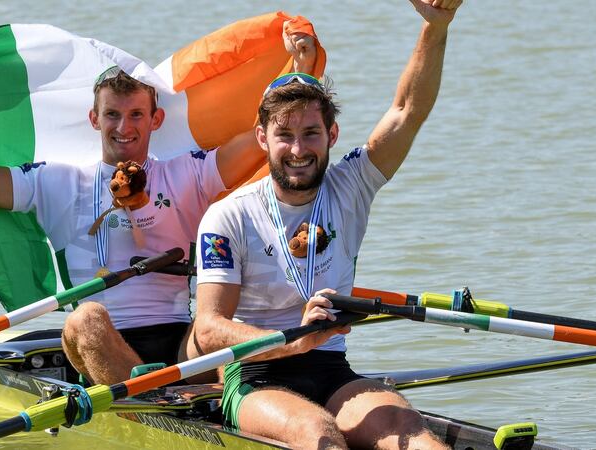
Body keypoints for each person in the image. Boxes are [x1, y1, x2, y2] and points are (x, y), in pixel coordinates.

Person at [0, 30, 317, 386]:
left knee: (215, 321)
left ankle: (172, 393)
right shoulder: (53, 181)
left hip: (182, 343)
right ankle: (156, 402)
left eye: (137, 115)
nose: (125, 127)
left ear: (155, 120)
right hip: (101, 339)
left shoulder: (190, 173)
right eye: (113, 116)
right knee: (85, 317)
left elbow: (263, 137)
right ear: (94, 119)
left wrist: (297, 72)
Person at [193, 0, 462, 448]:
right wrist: (291, 342)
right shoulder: (228, 215)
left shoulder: (350, 185)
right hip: (254, 375)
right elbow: (207, 330)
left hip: (333, 372)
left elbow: (406, 111)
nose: (298, 150)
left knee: (420, 442)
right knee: (319, 437)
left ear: (331, 135)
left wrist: (436, 26)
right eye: (285, 135)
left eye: (311, 134)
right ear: (263, 139)